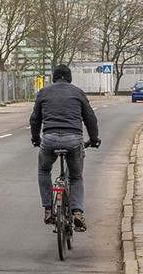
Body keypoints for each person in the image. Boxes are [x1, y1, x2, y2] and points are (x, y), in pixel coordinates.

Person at [30, 64, 100, 232]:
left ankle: (48, 209)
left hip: (50, 138)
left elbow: (35, 119)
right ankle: (77, 213)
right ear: (70, 78)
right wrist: (94, 139)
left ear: (54, 78)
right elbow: (90, 119)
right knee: (76, 177)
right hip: (73, 139)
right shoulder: (78, 92)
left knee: (44, 170)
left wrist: (36, 139)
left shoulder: (44, 92)